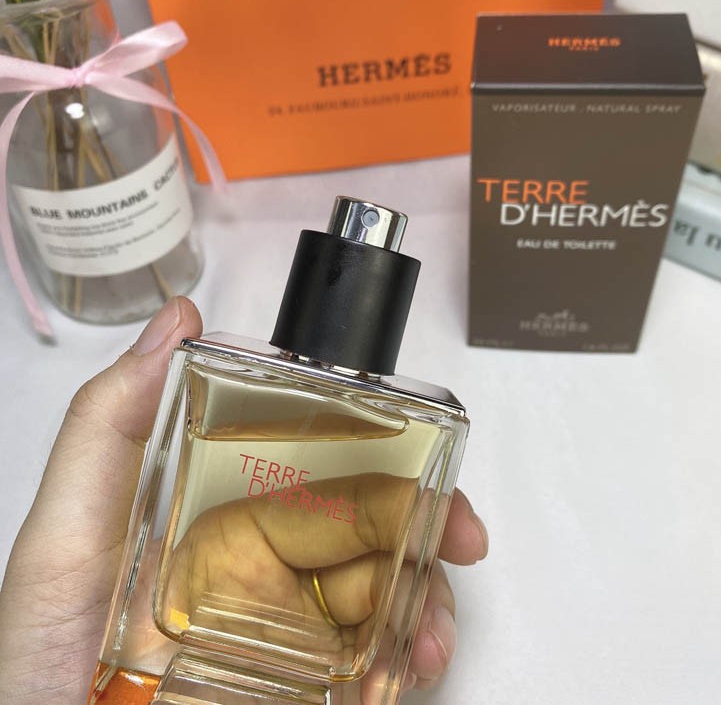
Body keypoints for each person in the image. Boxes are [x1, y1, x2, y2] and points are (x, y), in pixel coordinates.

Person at [0, 297, 489, 704]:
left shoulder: (432, 421)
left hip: (141, 684)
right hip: (141, 669)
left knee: (413, 543)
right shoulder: (209, 368)